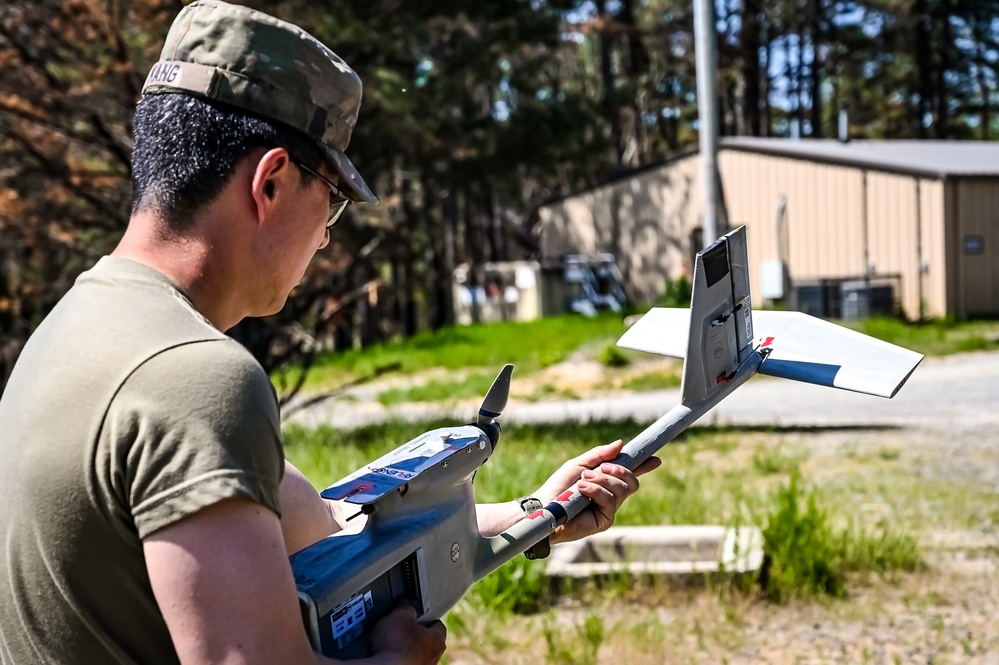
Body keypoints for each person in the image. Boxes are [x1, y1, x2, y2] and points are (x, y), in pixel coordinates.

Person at [0, 2, 659, 664]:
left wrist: (534, 513)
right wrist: (401, 657)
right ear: (272, 182)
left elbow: (316, 525)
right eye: (332, 199)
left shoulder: (72, 330)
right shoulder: (193, 378)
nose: (324, 234)